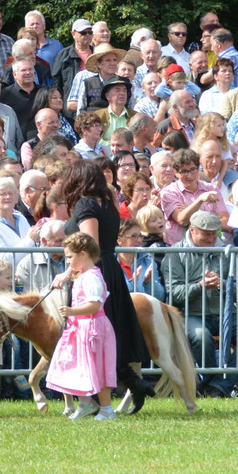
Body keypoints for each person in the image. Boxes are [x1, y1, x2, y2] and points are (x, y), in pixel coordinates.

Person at [55, 156, 153, 411]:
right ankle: (130, 383)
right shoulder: (108, 202)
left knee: (88, 334)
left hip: (93, 272)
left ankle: (96, 397)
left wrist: (69, 273)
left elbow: (88, 246)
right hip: (109, 270)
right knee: (105, 335)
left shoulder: (86, 204)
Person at [46, 230, 120, 421]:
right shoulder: (82, 275)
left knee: (98, 367)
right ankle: (85, 402)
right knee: (78, 365)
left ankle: (106, 409)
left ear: (83, 255)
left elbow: (95, 305)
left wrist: (72, 311)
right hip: (80, 328)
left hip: (92, 328)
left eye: (70, 257)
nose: (68, 262)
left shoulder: (91, 277)